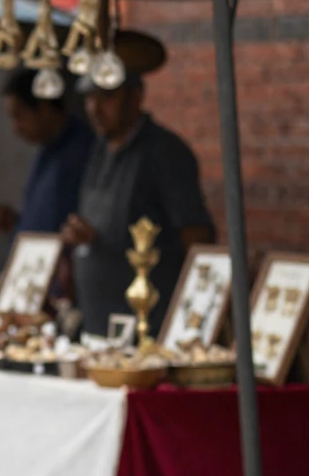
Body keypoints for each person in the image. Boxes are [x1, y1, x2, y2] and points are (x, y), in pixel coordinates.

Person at [62, 32, 215, 338]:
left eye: (107, 97)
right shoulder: (99, 150)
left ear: (135, 96)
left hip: (147, 326)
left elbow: (197, 237)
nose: (94, 108)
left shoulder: (164, 152)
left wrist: (192, 321)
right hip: (97, 320)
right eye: (90, 98)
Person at [0, 68, 95, 236]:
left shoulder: (86, 151)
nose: (16, 128)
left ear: (44, 108)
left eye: (19, 115)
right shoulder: (46, 152)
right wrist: (17, 222)